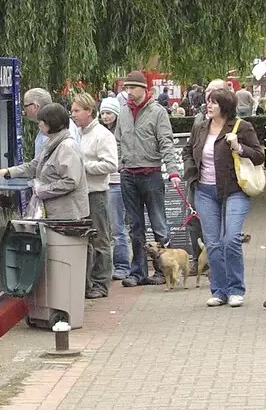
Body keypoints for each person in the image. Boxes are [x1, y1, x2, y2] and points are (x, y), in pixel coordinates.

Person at [183, 86, 265, 308]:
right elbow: (188, 151)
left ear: (226, 106)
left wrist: (238, 147)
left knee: (230, 239)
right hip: (205, 191)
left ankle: (236, 289)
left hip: (234, 190)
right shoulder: (200, 128)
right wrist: (191, 174)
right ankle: (219, 290)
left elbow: (259, 156)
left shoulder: (242, 127)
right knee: (213, 242)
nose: (209, 106)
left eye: (214, 102)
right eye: (208, 102)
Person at [114, 68, 183, 287]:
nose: (129, 92)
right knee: (135, 226)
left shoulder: (157, 112)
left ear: (144, 89)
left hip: (151, 173)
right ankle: (138, 272)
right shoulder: (123, 112)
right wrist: (119, 162)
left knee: (159, 223)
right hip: (128, 175)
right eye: (126, 88)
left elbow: (166, 142)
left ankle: (164, 270)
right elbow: (117, 140)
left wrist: (172, 170)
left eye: (132, 88)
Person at [0, 102, 88, 220]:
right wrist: (8, 171)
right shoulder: (51, 143)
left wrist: (42, 190)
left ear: (50, 123)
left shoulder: (66, 147)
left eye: (41, 121)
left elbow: (70, 182)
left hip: (66, 215)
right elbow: (35, 165)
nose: (39, 125)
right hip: (54, 212)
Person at [71, 93, 118, 299]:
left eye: (76, 111)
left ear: (89, 111)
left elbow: (110, 164)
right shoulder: (77, 134)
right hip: (79, 194)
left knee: (100, 239)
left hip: (96, 193)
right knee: (85, 240)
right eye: (72, 111)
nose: (72, 115)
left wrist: (83, 166)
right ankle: (87, 282)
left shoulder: (102, 135)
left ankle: (101, 283)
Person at [98, 99, 131, 281]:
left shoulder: (121, 134)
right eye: (103, 113)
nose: (105, 116)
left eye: (109, 113)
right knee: (109, 228)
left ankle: (123, 265)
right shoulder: (100, 133)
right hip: (103, 183)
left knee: (117, 227)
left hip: (117, 183)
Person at [22, 88, 52, 158]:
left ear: (35, 106)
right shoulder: (43, 128)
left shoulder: (56, 129)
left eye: (25, 106)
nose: (24, 111)